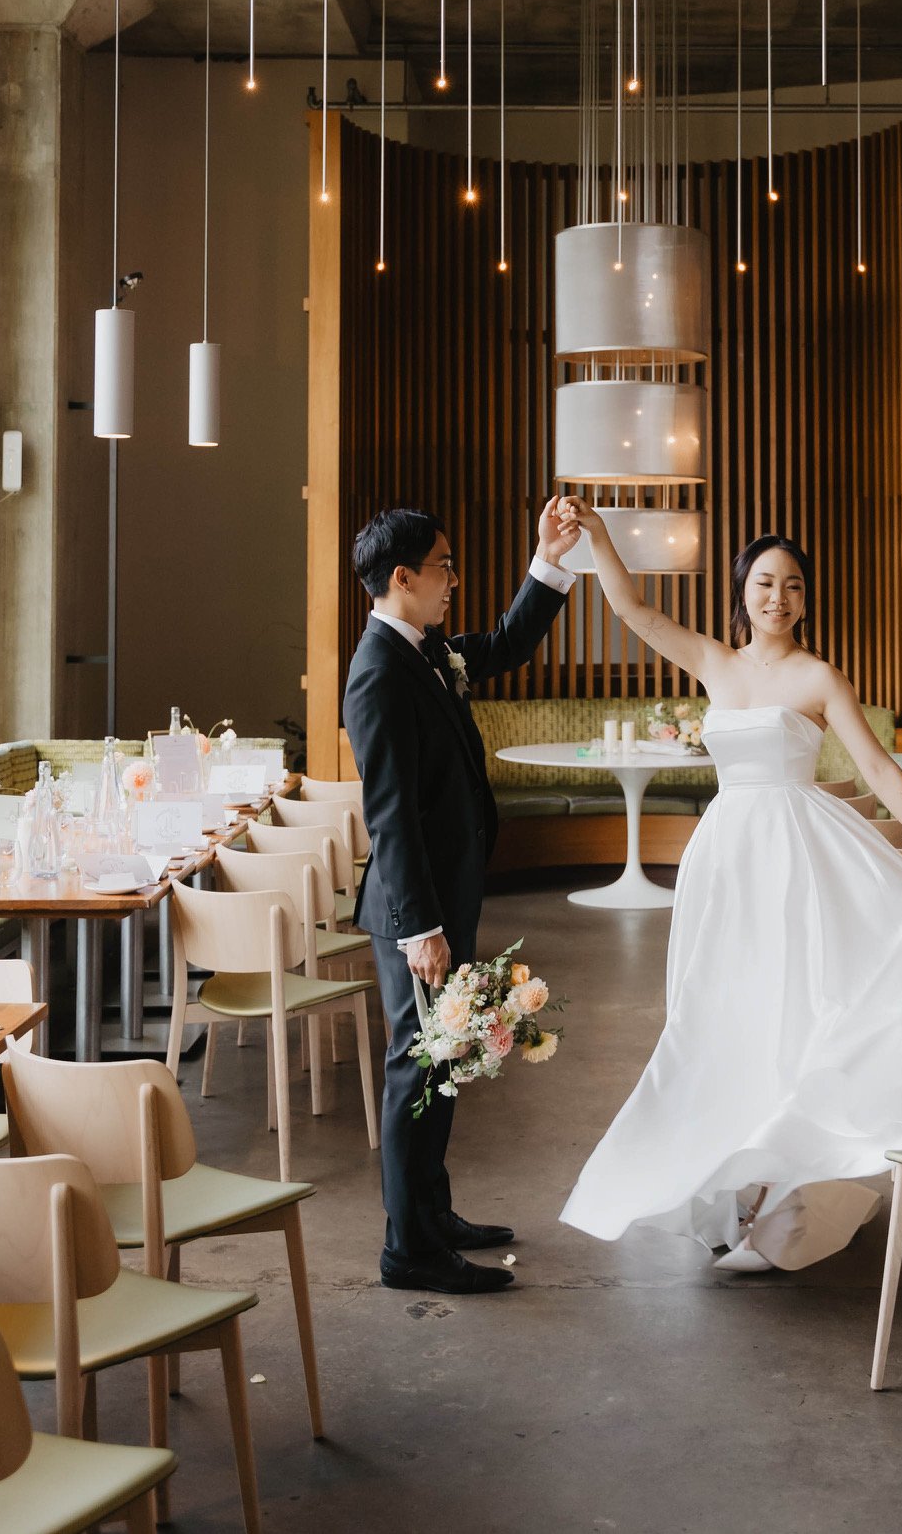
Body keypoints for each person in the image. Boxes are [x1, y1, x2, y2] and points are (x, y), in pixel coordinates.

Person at [560, 504, 902, 1271]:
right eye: (765, 582)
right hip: (726, 858)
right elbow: (630, 608)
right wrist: (600, 539)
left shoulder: (818, 675)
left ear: (806, 599)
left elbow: (876, 767)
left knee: (793, 1013)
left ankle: (782, 1205)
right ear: (742, 590)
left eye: (793, 586)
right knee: (719, 1014)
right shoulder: (715, 661)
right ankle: (728, 1186)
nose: (778, 597)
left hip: (799, 854)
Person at [344, 500, 579, 1294]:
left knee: (444, 1057)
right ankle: (407, 1249)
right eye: (443, 566)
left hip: (445, 898)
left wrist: (548, 557)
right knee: (417, 1064)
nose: (453, 580)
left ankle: (431, 1213)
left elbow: (509, 642)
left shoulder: (425, 649)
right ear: (402, 577)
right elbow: (391, 814)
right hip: (419, 912)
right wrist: (423, 929)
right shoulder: (377, 672)